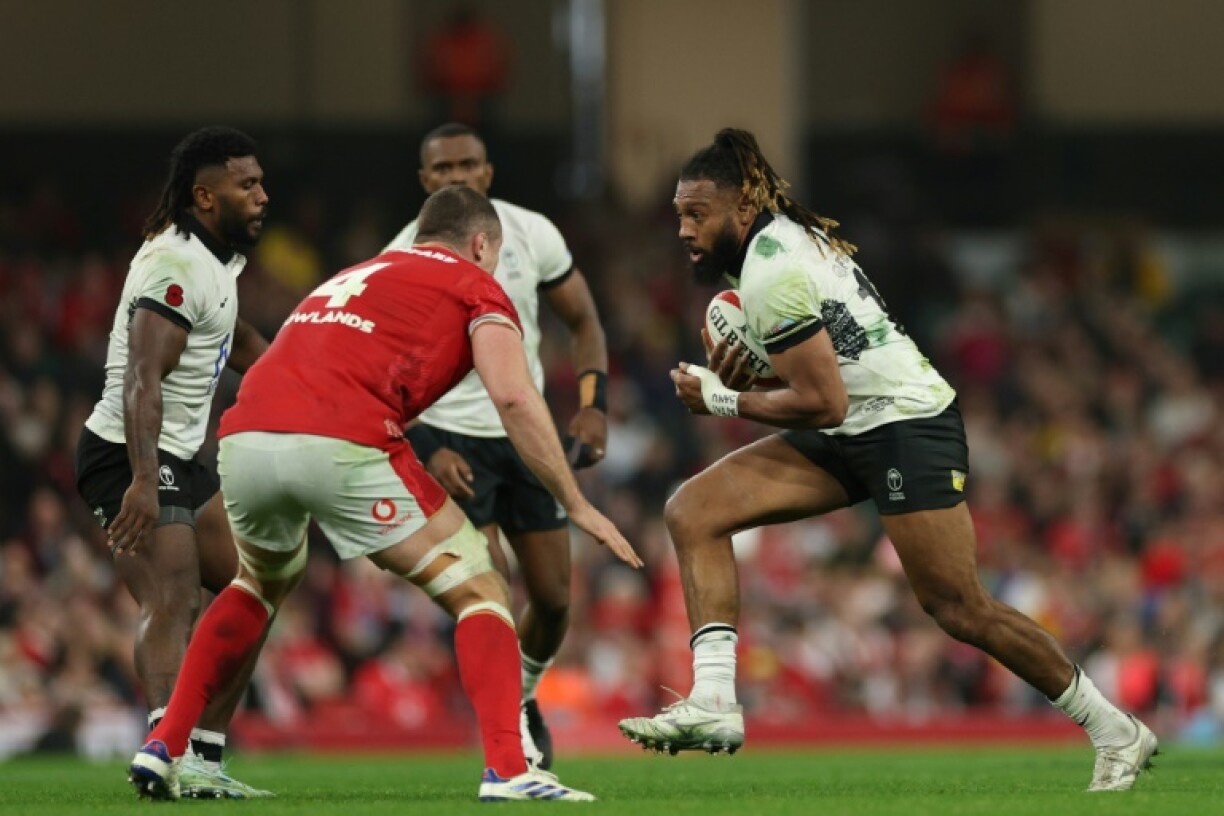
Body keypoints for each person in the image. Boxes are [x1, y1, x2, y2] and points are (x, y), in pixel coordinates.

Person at [617, 129, 1157, 793]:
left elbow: (824, 401)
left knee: (959, 608)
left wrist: (723, 398)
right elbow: (829, 384)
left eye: (698, 214)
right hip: (854, 422)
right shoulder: (776, 244)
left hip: (905, 424)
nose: (683, 229)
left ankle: (1114, 728)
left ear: (744, 208)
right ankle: (715, 701)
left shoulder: (769, 272)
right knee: (693, 511)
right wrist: (758, 374)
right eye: (680, 214)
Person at [125, 185, 641, 802]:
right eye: (496, 254)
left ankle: (164, 745)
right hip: (340, 440)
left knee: (256, 583)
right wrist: (576, 502)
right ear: (481, 244)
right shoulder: (475, 285)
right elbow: (513, 396)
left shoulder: (357, 275)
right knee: (482, 586)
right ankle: (509, 768)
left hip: (245, 436)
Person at [384, 122, 609, 769]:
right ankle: (509, 739)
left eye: (467, 165)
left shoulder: (531, 232)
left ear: (488, 171)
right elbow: (382, 372)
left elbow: (583, 319)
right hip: (452, 442)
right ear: (424, 181)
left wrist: (592, 406)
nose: (456, 176)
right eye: (443, 168)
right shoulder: (398, 256)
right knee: (492, 596)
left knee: (556, 601)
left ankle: (524, 695)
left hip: (526, 433)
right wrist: (426, 445)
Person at [75, 126, 273, 799]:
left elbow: (236, 339)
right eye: (247, 184)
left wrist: (304, 376)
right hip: (126, 451)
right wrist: (139, 479)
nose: (262, 196)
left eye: (261, 182)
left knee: (257, 586)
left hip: (183, 453)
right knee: (173, 596)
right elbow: (141, 378)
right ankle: (167, 750)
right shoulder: (174, 263)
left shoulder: (216, 263)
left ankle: (204, 758)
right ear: (205, 196)